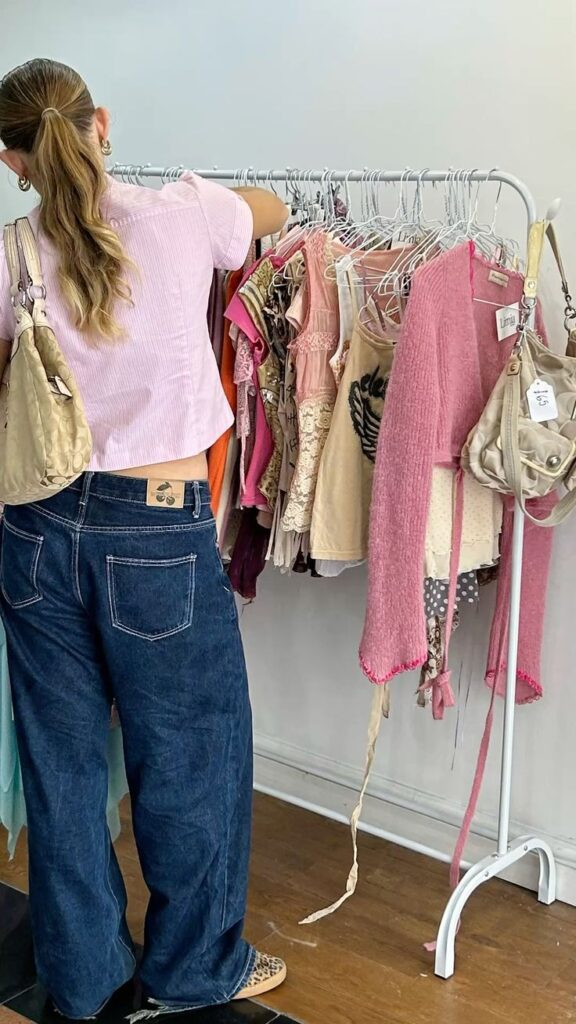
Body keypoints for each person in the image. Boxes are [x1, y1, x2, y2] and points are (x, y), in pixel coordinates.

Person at [0, 58, 289, 1020]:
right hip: (155, 537)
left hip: (34, 531)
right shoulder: (179, 216)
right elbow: (274, 208)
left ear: (13, 163)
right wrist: (200, 192)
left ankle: (81, 983)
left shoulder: (8, 256)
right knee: (191, 761)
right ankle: (194, 971)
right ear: (102, 124)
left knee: (65, 768)